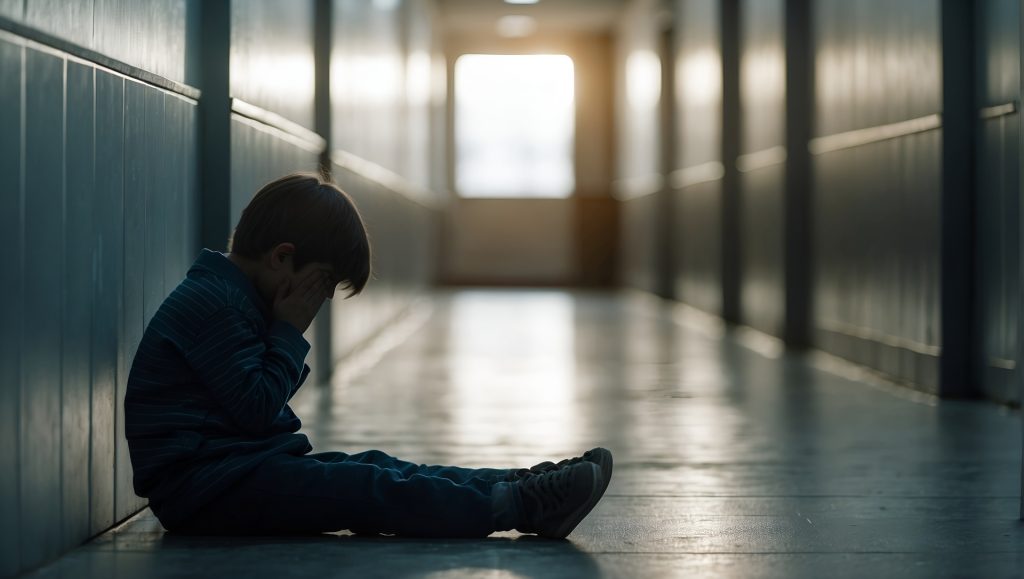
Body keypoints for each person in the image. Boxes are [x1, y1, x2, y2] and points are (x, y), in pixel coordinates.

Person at [124, 172, 612, 539]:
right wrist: (289, 331)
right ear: (281, 258)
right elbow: (256, 409)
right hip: (206, 491)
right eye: (320, 283)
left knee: (379, 467)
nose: (320, 300)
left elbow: (253, 407)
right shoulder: (215, 304)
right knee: (366, 489)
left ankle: (522, 483)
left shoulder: (233, 299)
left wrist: (283, 333)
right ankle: (519, 507)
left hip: (238, 470)